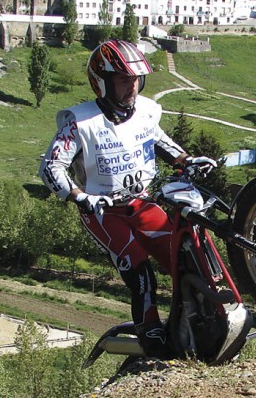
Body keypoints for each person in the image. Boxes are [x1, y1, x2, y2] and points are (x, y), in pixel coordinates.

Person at [39, 39, 217, 357]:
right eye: (123, 80)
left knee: (183, 257)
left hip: (142, 203)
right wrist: (79, 196)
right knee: (140, 271)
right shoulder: (79, 122)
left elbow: (160, 141)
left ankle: (197, 325)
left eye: (135, 79)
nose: (131, 87)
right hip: (103, 212)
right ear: (101, 83)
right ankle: (151, 338)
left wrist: (186, 160)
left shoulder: (145, 111)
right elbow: (51, 166)